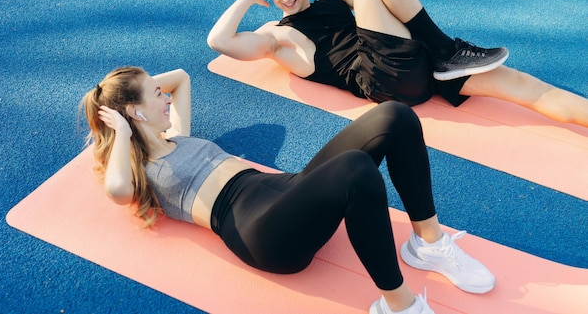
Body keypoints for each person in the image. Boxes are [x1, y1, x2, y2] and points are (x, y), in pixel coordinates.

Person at [80, 66, 496, 314]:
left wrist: (129, 97)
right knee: (355, 168)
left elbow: (183, 79)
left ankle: (428, 243)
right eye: (155, 94)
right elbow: (117, 189)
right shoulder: (143, 171)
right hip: (256, 230)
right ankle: (400, 305)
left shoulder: (176, 136)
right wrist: (119, 128)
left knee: (395, 117)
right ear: (135, 112)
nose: (165, 97)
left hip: (282, 190)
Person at [207, 0, 588, 128]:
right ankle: (447, 51)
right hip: (381, 77)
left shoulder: (334, 1)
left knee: (529, 87)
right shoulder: (276, 36)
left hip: (413, 65)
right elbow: (219, 42)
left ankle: (443, 55)